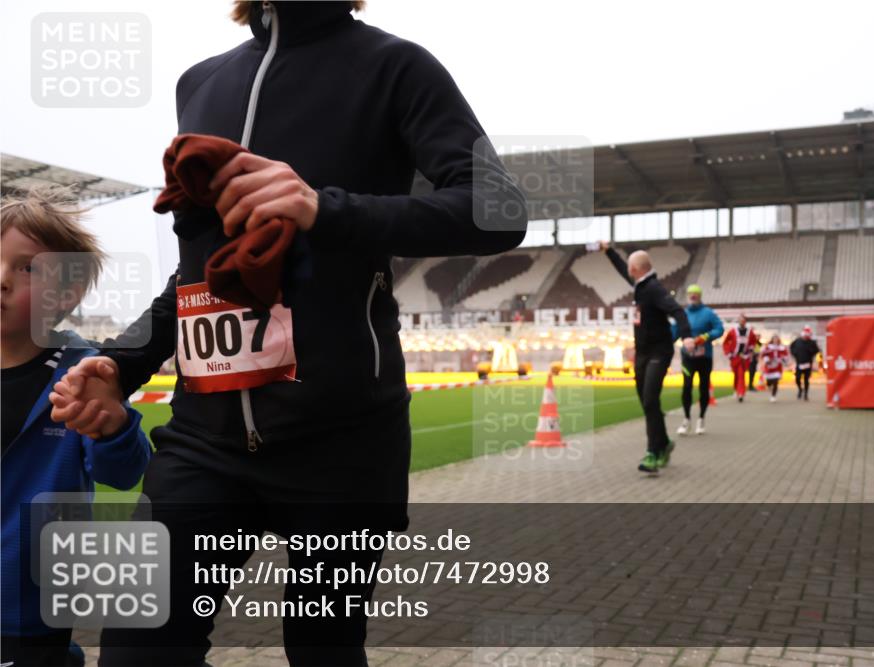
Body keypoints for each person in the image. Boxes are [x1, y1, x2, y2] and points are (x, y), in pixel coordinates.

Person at [48, 2, 528, 665]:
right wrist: (122, 363)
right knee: (136, 648)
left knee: (323, 650)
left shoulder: (397, 67)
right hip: (201, 439)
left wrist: (322, 207)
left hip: (342, 438)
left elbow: (497, 208)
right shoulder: (199, 83)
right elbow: (202, 272)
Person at [1, 187, 152, 667]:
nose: (1, 279)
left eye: (27, 268)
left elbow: (124, 472)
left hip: (29, 612)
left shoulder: (85, 372)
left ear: (67, 294)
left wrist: (115, 426)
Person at [601, 242, 694, 473]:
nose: (628, 271)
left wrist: (687, 336)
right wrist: (609, 251)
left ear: (637, 269)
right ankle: (663, 443)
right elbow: (623, 269)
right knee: (646, 402)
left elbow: (677, 311)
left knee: (651, 400)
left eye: (630, 268)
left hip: (658, 352)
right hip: (642, 353)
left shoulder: (653, 289)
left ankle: (652, 452)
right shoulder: (641, 284)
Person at [673, 285, 723, 435]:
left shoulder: (708, 313)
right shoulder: (683, 314)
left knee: (703, 387)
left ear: (700, 296)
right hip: (687, 358)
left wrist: (705, 337)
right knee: (687, 386)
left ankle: (701, 418)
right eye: (690, 294)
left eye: (695, 294)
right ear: (687, 296)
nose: (693, 296)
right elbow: (673, 333)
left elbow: (719, 329)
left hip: (704, 358)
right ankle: (687, 419)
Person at [721, 314, 759, 403]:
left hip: (744, 357)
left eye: (743, 320)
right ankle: (736, 389)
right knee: (736, 375)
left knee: (741, 374)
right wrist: (728, 353)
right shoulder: (733, 331)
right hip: (734, 357)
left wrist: (750, 350)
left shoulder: (750, 332)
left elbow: (754, 342)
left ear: (745, 321)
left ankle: (741, 393)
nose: (742, 322)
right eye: (740, 320)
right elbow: (725, 342)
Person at [790, 325, 821, 401]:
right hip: (799, 363)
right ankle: (800, 389)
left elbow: (816, 350)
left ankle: (806, 394)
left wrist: (811, 352)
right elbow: (791, 348)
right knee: (797, 379)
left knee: (806, 380)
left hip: (808, 363)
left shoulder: (812, 342)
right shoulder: (797, 341)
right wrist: (795, 354)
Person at [760, 334, 790, 402]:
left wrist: (783, 360)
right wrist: (767, 360)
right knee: (769, 382)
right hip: (769, 366)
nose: (775, 340)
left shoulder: (782, 347)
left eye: (777, 339)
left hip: (777, 366)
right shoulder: (768, 347)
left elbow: (785, 356)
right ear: (772, 340)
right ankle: (770, 387)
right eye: (774, 339)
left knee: (776, 381)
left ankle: (773, 396)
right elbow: (763, 354)